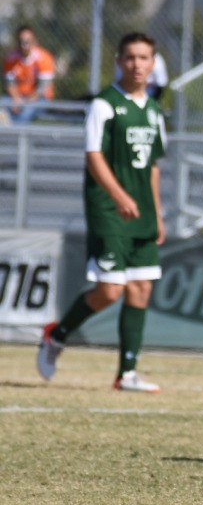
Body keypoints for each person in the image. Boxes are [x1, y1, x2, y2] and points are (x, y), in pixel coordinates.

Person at [36, 33, 166, 392]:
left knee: (140, 288)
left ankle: (127, 374)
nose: (137, 64)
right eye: (130, 58)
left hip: (141, 211)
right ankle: (56, 334)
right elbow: (93, 155)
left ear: (153, 63)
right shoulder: (105, 104)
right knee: (110, 290)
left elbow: (153, 164)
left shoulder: (154, 110)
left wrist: (157, 212)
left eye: (144, 58)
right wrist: (119, 196)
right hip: (110, 209)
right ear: (118, 61)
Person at [2, 25, 56, 124]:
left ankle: (13, 135)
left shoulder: (44, 58)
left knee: (25, 113)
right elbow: (10, 84)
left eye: (27, 42)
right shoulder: (11, 58)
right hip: (17, 97)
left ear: (34, 41)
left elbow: (41, 89)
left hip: (39, 98)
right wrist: (16, 99)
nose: (24, 45)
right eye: (21, 42)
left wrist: (24, 103)